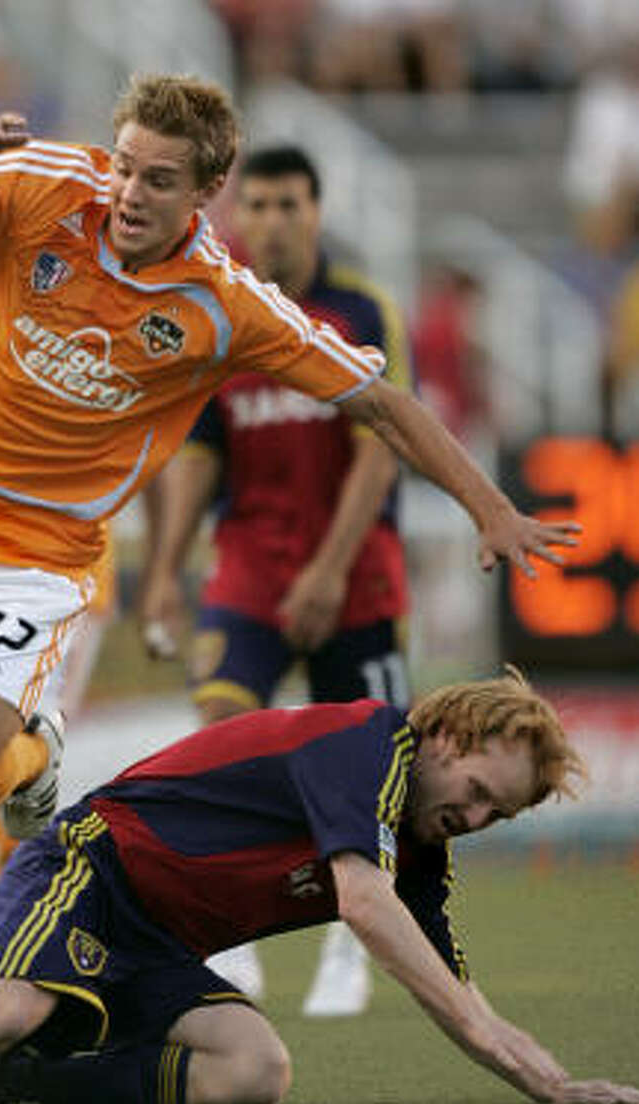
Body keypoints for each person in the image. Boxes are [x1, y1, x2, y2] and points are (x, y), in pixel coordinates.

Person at [0, 72, 579, 1045]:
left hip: (37, 556)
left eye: (160, 180)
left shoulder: (226, 304)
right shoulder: (40, 186)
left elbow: (385, 404)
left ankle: (32, 754)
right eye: (124, 166)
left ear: (208, 193)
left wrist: (493, 510)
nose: (129, 192)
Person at [0, 668, 639, 1104]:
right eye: (481, 790)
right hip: (89, 871)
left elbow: (453, 983)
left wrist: (546, 1070)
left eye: (500, 815)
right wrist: (509, 1058)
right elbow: (363, 906)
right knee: (14, 1003)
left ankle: (11, 1088)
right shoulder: (367, 746)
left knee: (255, 1070)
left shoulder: (416, 850)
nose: (479, 816)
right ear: (445, 735)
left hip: (153, 943)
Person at [139, 144, 412, 1017]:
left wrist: (331, 571)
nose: (273, 221)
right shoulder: (221, 318)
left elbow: (381, 454)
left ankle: (351, 940)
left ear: (316, 213)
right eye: (256, 206)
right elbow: (199, 454)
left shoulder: (363, 310)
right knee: (222, 728)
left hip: (354, 572)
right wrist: (168, 572)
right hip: (251, 565)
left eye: (290, 204)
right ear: (238, 217)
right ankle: (237, 944)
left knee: (373, 768)